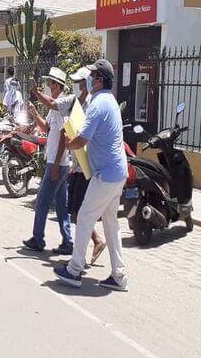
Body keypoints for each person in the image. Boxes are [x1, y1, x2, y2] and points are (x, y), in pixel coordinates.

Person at [54, 59, 129, 291]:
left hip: (106, 176)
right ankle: (119, 276)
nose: (88, 80)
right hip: (117, 173)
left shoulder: (97, 104)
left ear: (98, 80)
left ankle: (74, 269)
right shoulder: (110, 102)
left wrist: (68, 143)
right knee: (110, 223)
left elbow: (82, 139)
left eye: (92, 76)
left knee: (85, 217)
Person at [22, 67, 75, 254]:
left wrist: (56, 164)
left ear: (57, 85)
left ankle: (38, 239)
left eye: (50, 83)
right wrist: (35, 115)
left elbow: (63, 136)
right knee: (61, 205)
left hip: (57, 162)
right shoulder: (55, 108)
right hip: (58, 162)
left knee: (43, 201)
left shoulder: (60, 104)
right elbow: (48, 129)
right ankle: (67, 242)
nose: (48, 86)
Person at [65, 66, 107, 265]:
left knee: (79, 213)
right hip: (79, 163)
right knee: (76, 213)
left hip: (86, 166)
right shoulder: (79, 103)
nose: (77, 86)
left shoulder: (91, 104)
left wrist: (70, 143)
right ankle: (92, 244)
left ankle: (80, 258)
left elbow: (83, 137)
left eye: (79, 83)